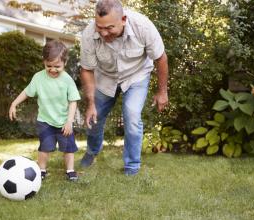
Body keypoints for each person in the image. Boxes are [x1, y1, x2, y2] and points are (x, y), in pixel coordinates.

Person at [79, 0, 169, 176]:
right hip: (105, 77)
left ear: (123, 19)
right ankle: (92, 151)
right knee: (94, 117)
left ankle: (132, 166)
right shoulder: (89, 34)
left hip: (136, 75)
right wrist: (90, 104)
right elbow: (87, 70)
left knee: (132, 114)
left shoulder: (142, 26)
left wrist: (162, 92)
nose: (104, 33)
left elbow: (161, 58)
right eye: (100, 27)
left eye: (110, 28)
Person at [9, 40, 81, 181]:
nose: (53, 69)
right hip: (45, 121)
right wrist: (14, 103)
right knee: (44, 147)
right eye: (49, 66)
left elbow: (73, 101)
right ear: (44, 62)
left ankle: (70, 171)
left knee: (68, 148)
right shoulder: (38, 77)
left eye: (57, 66)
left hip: (63, 122)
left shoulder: (67, 80)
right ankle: (41, 170)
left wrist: (69, 121)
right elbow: (27, 92)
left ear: (65, 63)